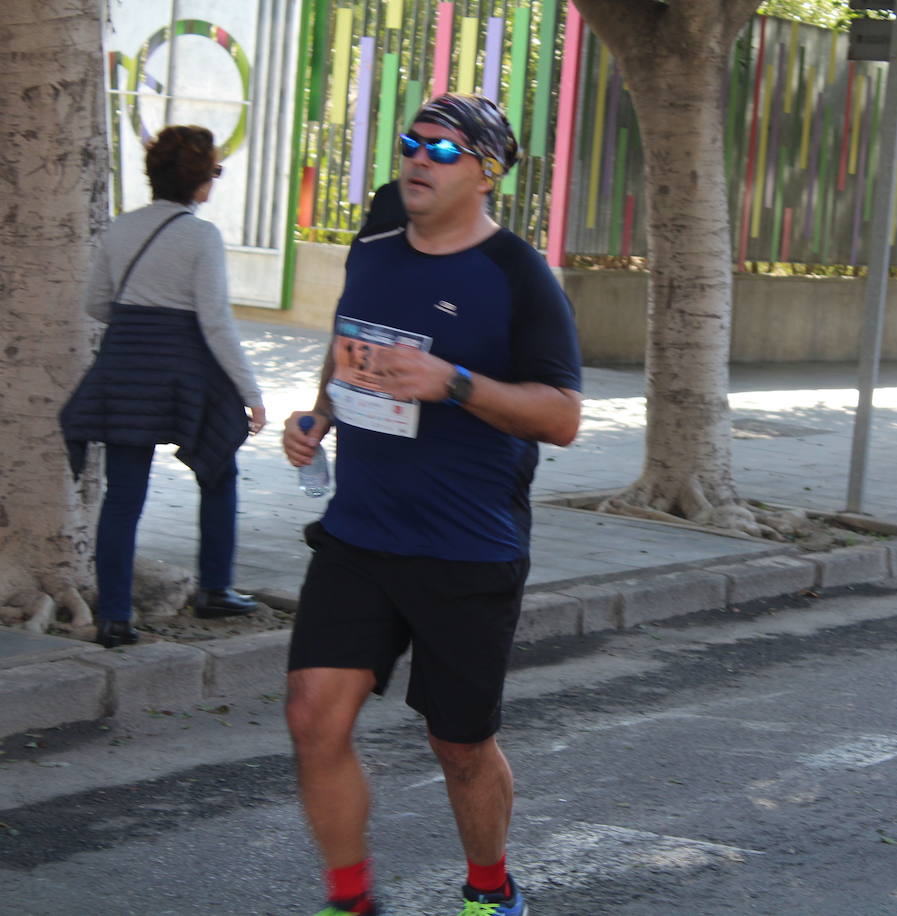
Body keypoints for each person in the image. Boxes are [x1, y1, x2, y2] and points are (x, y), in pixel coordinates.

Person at [281, 94, 581, 916]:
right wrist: (320, 416)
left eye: (443, 151)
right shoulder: (375, 248)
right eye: (411, 144)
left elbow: (563, 418)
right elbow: (349, 349)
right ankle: (352, 903)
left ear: (487, 172)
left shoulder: (518, 275)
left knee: (459, 745)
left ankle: (491, 890)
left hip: (466, 549)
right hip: (360, 534)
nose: (418, 159)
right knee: (312, 716)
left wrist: (455, 384)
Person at [61, 125, 266, 649]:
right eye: (214, 173)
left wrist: (139, 321)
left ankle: (114, 617)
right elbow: (215, 322)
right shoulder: (202, 236)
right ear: (201, 183)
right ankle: (215, 589)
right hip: (183, 374)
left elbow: (95, 304)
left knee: (124, 495)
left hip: (127, 371)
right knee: (220, 465)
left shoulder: (121, 229)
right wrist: (250, 393)